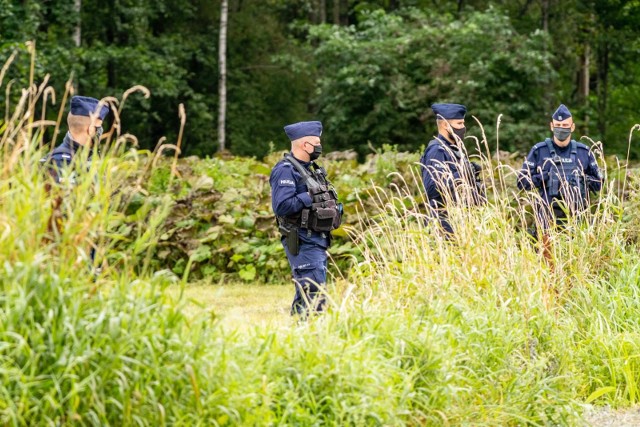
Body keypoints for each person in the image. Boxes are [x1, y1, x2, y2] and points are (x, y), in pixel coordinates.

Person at [269, 121, 342, 318]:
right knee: (313, 291)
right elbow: (282, 206)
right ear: (304, 145)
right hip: (302, 239)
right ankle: (309, 333)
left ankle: (299, 334)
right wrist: (309, 197)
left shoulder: (312, 169)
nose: (319, 147)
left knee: (310, 291)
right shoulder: (285, 170)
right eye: (316, 142)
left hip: (317, 239)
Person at [517, 104, 603, 247]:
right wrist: (547, 176)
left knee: (577, 260)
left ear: (572, 127)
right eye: (558, 125)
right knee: (547, 262)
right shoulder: (539, 151)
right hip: (547, 217)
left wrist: (579, 179)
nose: (561, 128)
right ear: (551, 126)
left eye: (565, 125)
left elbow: (599, 183)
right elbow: (521, 182)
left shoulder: (584, 152)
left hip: (577, 218)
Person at [40, 95, 109, 265]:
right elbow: (61, 214)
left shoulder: (87, 160)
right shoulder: (60, 161)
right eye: (99, 129)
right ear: (91, 130)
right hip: (67, 257)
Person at [419, 103, 485, 236]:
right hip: (444, 223)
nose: (463, 128)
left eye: (463, 124)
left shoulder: (454, 149)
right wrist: (461, 174)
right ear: (445, 125)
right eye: (459, 124)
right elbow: (431, 189)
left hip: (460, 220)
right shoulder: (437, 150)